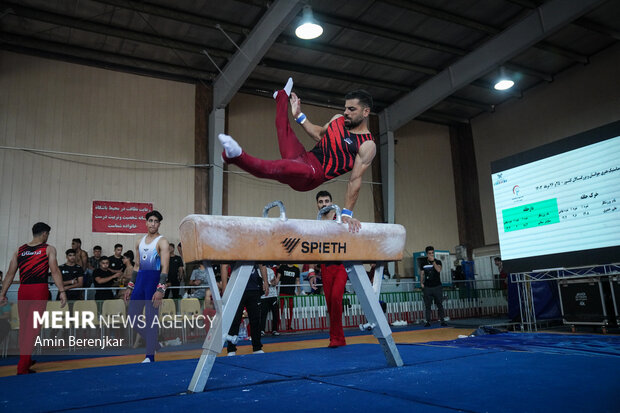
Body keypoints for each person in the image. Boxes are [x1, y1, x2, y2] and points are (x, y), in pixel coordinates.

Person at [218, 78, 376, 232]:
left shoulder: (367, 144)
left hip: (312, 175)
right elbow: (318, 134)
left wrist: (347, 214)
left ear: (366, 112)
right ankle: (281, 97)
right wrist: (299, 115)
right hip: (305, 158)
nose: (345, 112)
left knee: (279, 167)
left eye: (351, 109)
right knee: (284, 132)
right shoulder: (338, 120)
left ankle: (236, 157)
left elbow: (354, 181)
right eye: (346, 108)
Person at [0, 222, 67, 375]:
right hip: (39, 290)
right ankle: (22, 367)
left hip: (23, 290)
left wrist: (2, 293)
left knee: (25, 327)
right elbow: (55, 271)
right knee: (33, 328)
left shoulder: (20, 250)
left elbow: (10, 273)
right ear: (44, 234)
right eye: (47, 234)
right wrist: (62, 291)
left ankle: (27, 358)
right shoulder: (48, 249)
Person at [123, 210, 170, 363]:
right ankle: (154, 343)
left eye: (156, 221)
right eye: (150, 220)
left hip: (153, 282)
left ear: (159, 224)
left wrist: (160, 289)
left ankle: (150, 356)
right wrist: (130, 287)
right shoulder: (139, 241)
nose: (153, 224)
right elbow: (137, 265)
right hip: (141, 281)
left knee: (151, 320)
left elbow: (164, 267)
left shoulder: (162, 242)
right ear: (146, 222)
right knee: (132, 319)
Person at [315, 190, 349, 347]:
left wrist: (352, 219)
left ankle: (338, 338)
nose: (324, 204)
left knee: (336, 298)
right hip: (325, 266)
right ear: (317, 204)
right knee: (330, 303)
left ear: (331, 202)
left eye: (326, 201)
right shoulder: (316, 223)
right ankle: (336, 339)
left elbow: (350, 223)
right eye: (321, 202)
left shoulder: (340, 218)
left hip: (340, 264)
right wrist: (310, 273)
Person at [223, 264, 269, 356]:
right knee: (235, 319)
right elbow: (224, 266)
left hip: (253, 288)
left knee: (255, 319)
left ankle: (257, 347)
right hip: (236, 288)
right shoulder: (232, 250)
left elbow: (262, 265)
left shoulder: (255, 250)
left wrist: (265, 282)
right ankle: (231, 349)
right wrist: (225, 287)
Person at [420, 246, 447, 327]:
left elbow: (439, 270)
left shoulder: (438, 261)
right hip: (427, 287)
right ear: (426, 254)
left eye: (432, 253)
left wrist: (433, 262)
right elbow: (422, 274)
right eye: (429, 253)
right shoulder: (423, 263)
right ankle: (428, 321)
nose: (431, 254)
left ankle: (442, 320)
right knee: (427, 305)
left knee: (439, 304)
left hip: (437, 286)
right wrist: (421, 283)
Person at [277, 263, 300, 331]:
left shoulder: (296, 269)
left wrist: (299, 291)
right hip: (282, 292)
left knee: (290, 310)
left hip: (291, 292)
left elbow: (297, 281)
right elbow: (278, 278)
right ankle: (276, 327)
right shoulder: (282, 267)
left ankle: (289, 326)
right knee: (279, 310)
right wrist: (274, 284)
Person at [261, 265, 280, 336]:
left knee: (275, 313)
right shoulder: (258, 271)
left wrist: (274, 283)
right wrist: (269, 283)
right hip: (263, 296)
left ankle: (275, 330)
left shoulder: (271, 271)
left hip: (273, 295)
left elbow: (274, 283)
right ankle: (262, 330)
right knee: (263, 314)